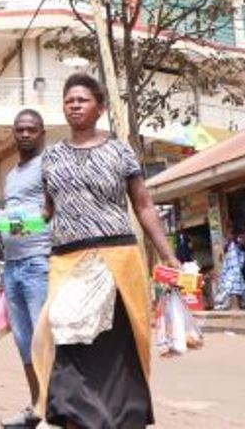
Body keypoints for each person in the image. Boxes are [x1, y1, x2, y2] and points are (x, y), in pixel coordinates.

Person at [31, 73, 181, 429]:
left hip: (117, 261)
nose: (74, 105)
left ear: (99, 108)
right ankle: (74, 418)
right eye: (69, 100)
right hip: (68, 263)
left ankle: (124, 419)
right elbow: (47, 213)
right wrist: (12, 227)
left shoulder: (119, 150)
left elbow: (143, 205)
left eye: (82, 100)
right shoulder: (51, 158)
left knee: (117, 346)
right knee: (66, 336)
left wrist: (168, 255)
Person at [0, 109, 51, 429]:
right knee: (24, 344)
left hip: (38, 262)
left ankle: (54, 412)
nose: (25, 134)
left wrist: (11, 224)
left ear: (42, 132)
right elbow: (16, 223)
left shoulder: (47, 166)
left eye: (32, 129)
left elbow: (49, 213)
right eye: (20, 129)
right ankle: (37, 409)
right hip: (13, 265)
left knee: (44, 343)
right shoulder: (11, 175)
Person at [214, 231, 245, 310]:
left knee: (234, 289)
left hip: (234, 270)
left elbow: (238, 260)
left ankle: (236, 306)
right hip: (232, 270)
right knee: (233, 289)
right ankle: (235, 306)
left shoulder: (235, 247)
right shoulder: (230, 247)